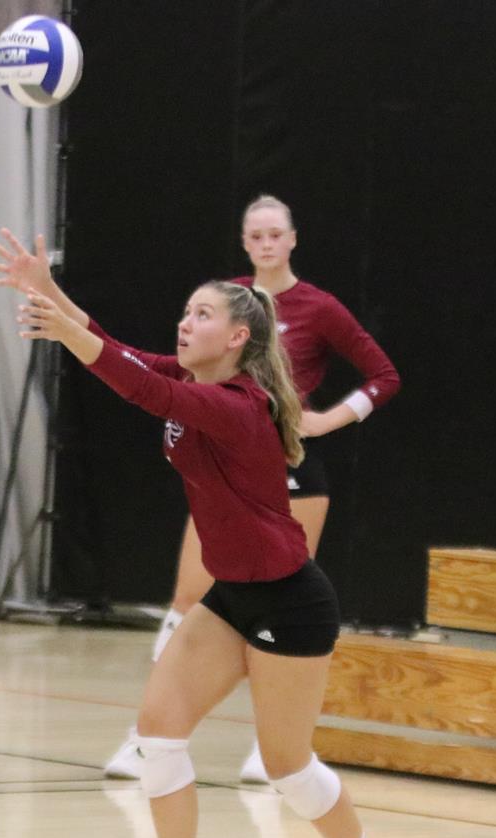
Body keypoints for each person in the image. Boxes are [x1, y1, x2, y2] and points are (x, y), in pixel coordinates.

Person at [0, 229, 406, 838]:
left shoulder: (240, 405)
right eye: (185, 311)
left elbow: (136, 385)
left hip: (289, 603)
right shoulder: (196, 383)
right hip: (231, 596)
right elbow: (116, 350)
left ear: (238, 337)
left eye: (201, 314)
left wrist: (63, 330)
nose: (184, 322)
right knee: (159, 731)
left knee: (288, 767)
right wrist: (47, 292)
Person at [103, 195, 399, 784]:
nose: (266, 244)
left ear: (293, 240)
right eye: (255, 235)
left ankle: (277, 744)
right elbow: (169, 375)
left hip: (292, 471)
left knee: (279, 599)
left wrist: (327, 420)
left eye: (275, 234)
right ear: (244, 243)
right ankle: (148, 737)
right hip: (227, 467)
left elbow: (384, 375)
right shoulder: (229, 304)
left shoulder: (319, 307)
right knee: (191, 594)